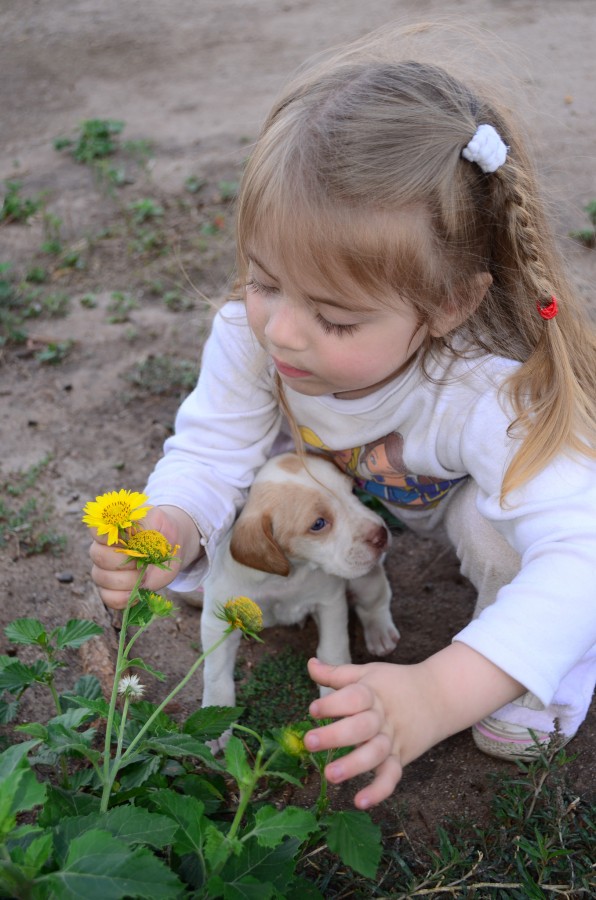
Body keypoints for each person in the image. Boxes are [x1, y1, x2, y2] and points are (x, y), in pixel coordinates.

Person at [89, 24, 596, 809]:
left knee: (506, 543)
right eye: (264, 280)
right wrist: (176, 523)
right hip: (358, 501)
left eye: (336, 317)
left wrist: (438, 690)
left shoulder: (489, 396)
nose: (283, 331)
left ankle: (538, 670)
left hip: (465, 498)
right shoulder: (251, 336)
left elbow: (582, 556)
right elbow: (214, 448)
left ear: (451, 303)